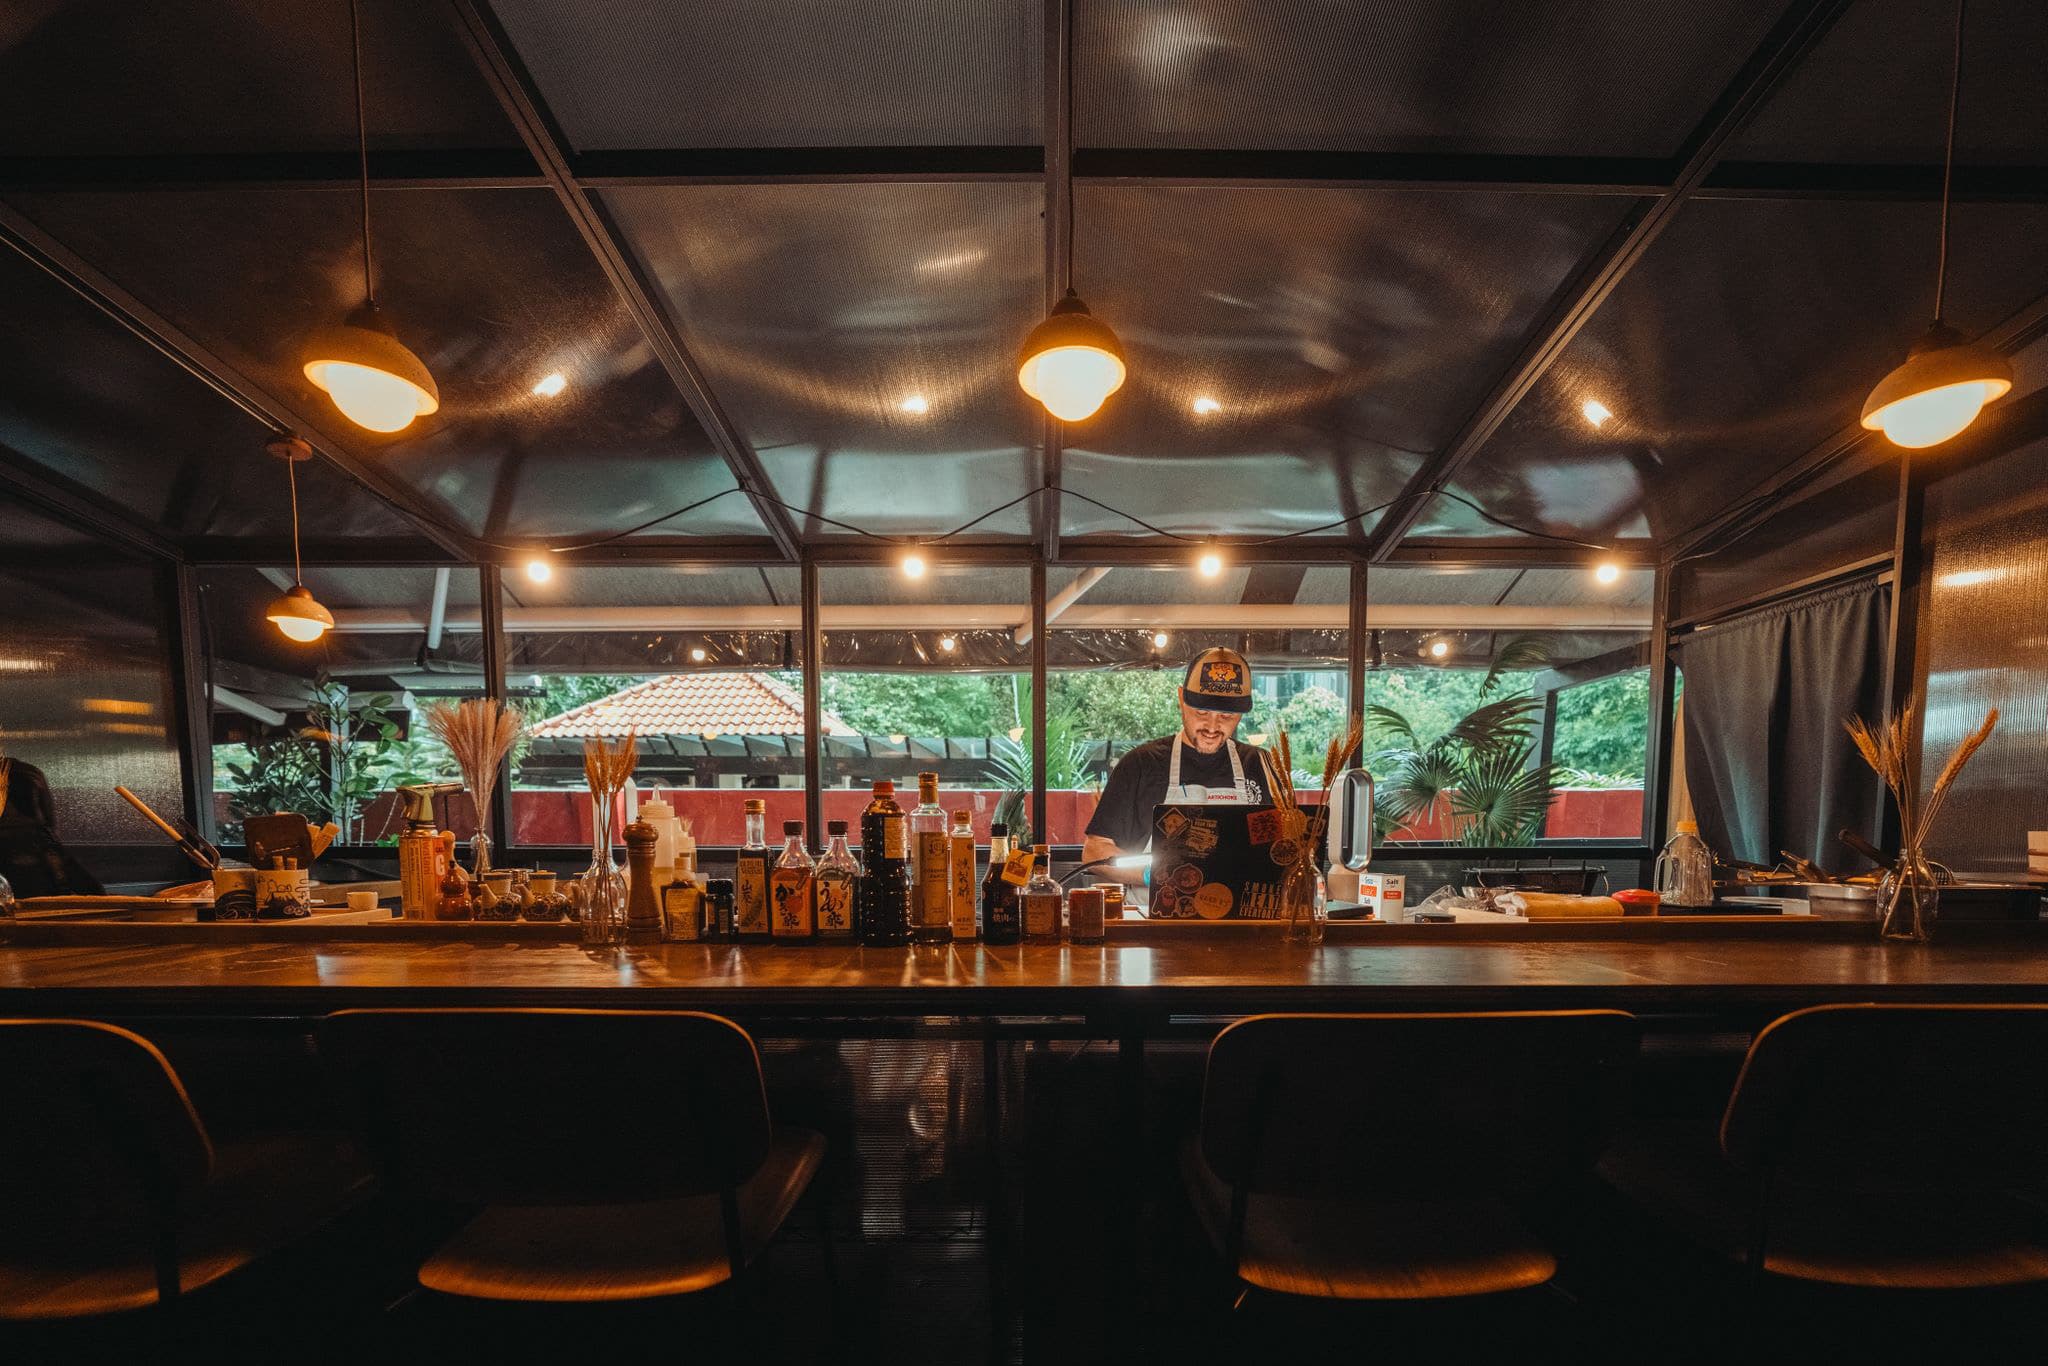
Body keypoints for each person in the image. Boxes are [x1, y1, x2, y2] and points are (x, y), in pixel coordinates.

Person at [1082, 648, 1269, 883]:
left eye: (1226, 716)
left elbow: (1284, 849)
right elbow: (1095, 851)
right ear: (1181, 698)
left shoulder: (1262, 765)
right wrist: (1153, 876)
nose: (1212, 727)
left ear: (1241, 715)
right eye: (1201, 712)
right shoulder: (1140, 765)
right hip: (1153, 916)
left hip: (1237, 918)